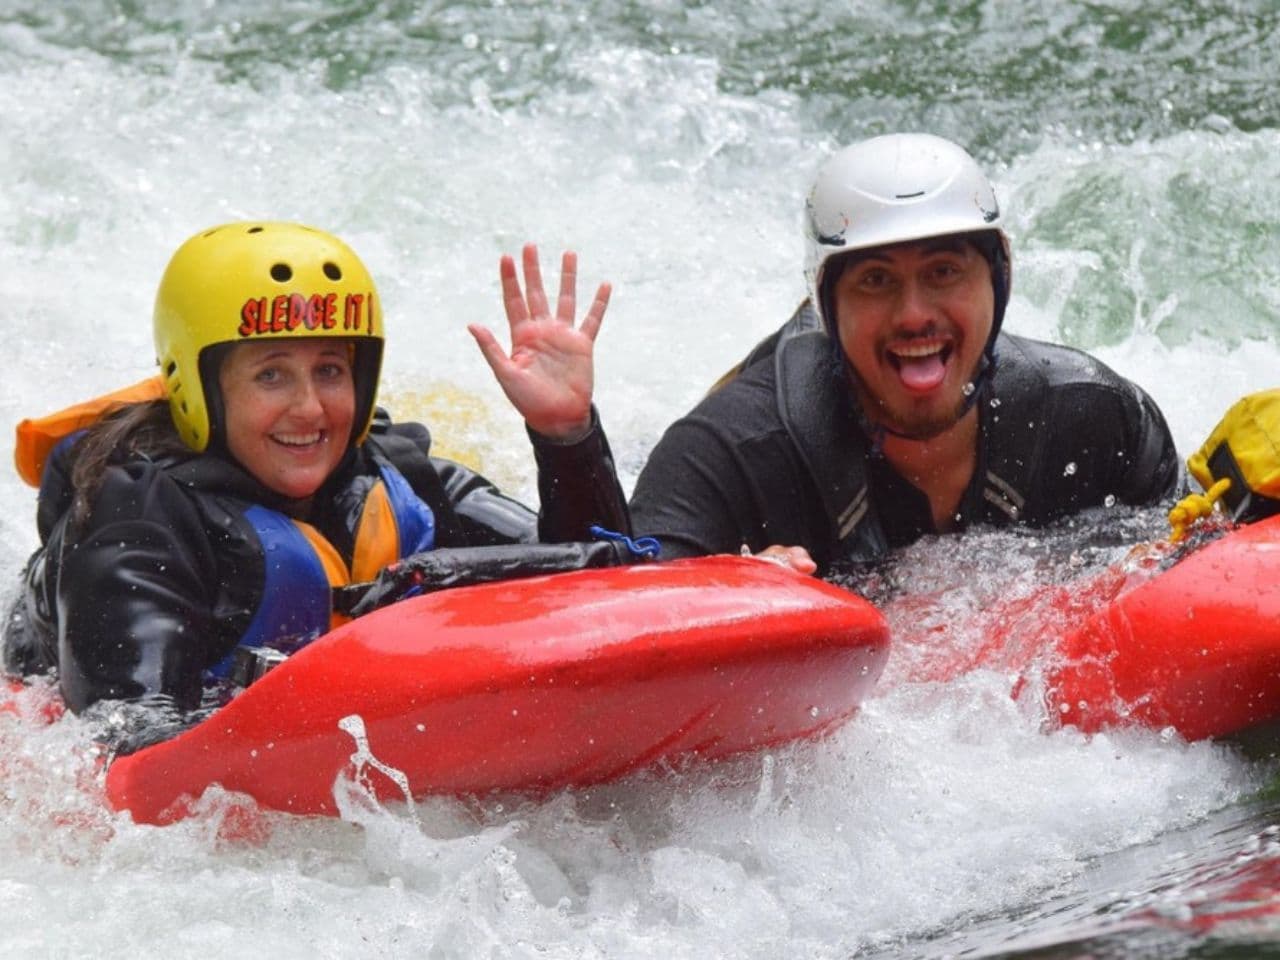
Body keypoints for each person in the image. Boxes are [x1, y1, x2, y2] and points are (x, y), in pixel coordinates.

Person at [3, 222, 632, 723]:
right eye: (271, 374)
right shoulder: (136, 517)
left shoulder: (398, 479)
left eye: (330, 370)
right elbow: (125, 737)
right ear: (199, 387)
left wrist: (565, 437)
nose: (309, 409)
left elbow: (608, 585)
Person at [630, 133, 1181, 575]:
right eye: (875, 280)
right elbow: (614, 620)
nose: (914, 313)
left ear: (999, 280)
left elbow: (1196, 548)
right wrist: (570, 439)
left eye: (944, 272)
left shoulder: (1098, 419)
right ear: (828, 306)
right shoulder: (729, 453)